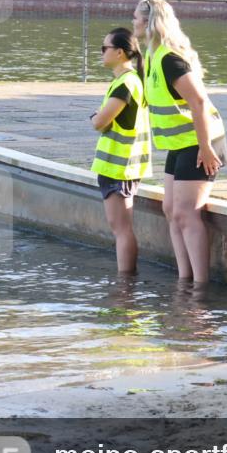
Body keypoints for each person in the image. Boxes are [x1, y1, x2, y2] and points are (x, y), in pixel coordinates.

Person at [132, 0, 227, 283]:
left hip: (200, 143)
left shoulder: (169, 59)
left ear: (150, 22)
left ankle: (200, 286)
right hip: (179, 144)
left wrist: (207, 147)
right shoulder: (149, 56)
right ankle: (184, 280)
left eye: (137, 17)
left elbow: (198, 102)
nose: (133, 21)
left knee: (187, 213)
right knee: (170, 210)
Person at [90, 27, 150, 274]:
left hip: (120, 166)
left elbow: (100, 121)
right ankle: (125, 285)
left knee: (121, 229)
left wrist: (95, 117)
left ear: (121, 53)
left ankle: (125, 288)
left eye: (105, 48)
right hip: (118, 166)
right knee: (120, 228)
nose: (101, 53)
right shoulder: (126, 81)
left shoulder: (126, 83)